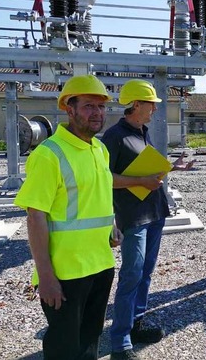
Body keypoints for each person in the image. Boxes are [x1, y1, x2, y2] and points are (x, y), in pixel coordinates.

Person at [14, 74, 121, 360]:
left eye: (101, 107)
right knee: (64, 348)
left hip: (100, 265)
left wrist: (112, 226)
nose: (97, 113)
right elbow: (35, 216)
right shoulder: (49, 155)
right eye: (88, 106)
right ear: (69, 109)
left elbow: (97, 195)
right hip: (65, 274)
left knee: (89, 341)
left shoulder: (100, 149)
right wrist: (46, 276)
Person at [101, 79, 194, 360]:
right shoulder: (114, 136)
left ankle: (136, 324)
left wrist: (169, 168)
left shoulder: (143, 132)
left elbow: (147, 170)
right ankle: (120, 343)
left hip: (155, 213)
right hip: (133, 217)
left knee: (146, 273)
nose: (154, 108)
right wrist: (140, 180)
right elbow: (105, 179)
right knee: (131, 275)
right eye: (151, 103)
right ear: (136, 104)